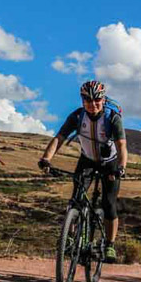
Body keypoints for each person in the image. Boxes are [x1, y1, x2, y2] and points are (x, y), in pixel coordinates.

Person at [37, 80, 127, 263]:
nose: (92, 104)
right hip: (87, 160)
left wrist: (121, 168)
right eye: (87, 100)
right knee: (76, 199)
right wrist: (46, 158)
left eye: (97, 100)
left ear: (103, 100)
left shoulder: (112, 118)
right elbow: (59, 138)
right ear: (82, 100)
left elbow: (122, 146)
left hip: (109, 163)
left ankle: (109, 244)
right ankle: (69, 238)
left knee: (109, 203)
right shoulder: (77, 117)